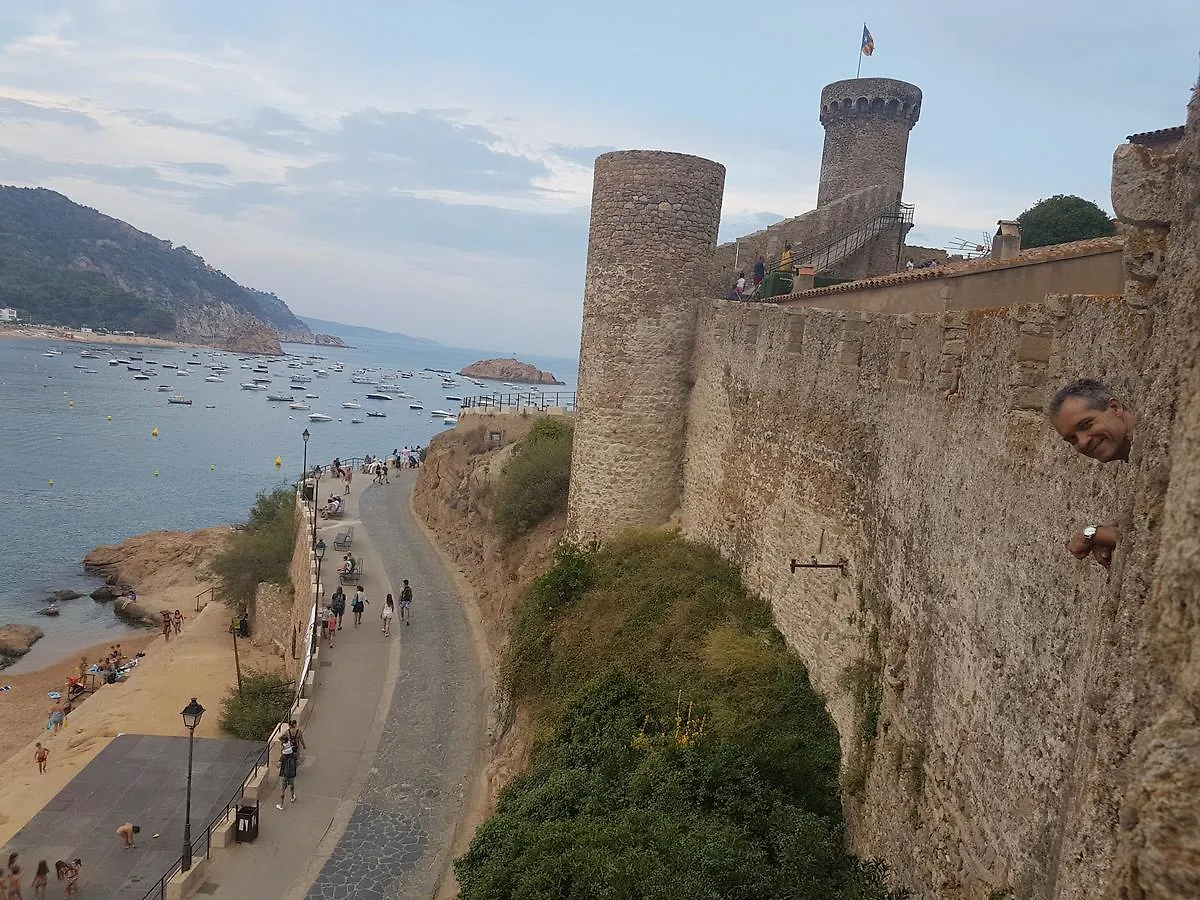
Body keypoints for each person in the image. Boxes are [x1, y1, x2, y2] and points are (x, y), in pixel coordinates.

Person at [1048, 378, 1136, 568]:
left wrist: (1094, 534)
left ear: (1115, 408)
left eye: (1086, 425)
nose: (1083, 441)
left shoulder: (1167, 445)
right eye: (1072, 439)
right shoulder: (1141, 461)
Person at [277, 734, 298, 808]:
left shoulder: (283, 755)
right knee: (292, 785)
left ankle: (281, 805)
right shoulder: (292, 752)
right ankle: (292, 797)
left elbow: (278, 765)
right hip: (292, 772)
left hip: (283, 774)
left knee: (282, 790)